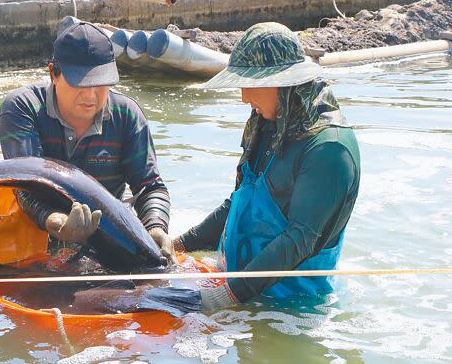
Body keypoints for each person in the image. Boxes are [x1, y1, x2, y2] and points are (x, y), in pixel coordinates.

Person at [73, 22, 361, 315]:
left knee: (108, 306)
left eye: (249, 85)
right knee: (93, 299)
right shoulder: (271, 124)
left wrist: (224, 298)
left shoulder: (329, 148)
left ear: (284, 81)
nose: (244, 97)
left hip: (287, 309)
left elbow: (300, 239)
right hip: (235, 285)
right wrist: (180, 244)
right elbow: (237, 204)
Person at [0, 21, 175, 263]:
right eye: (80, 83)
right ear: (53, 74)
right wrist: (56, 222)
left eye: (100, 83)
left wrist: (155, 226)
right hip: (36, 240)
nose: (91, 96)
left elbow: (151, 187)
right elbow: (25, 186)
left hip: (106, 243)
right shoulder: (21, 108)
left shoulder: (127, 115)